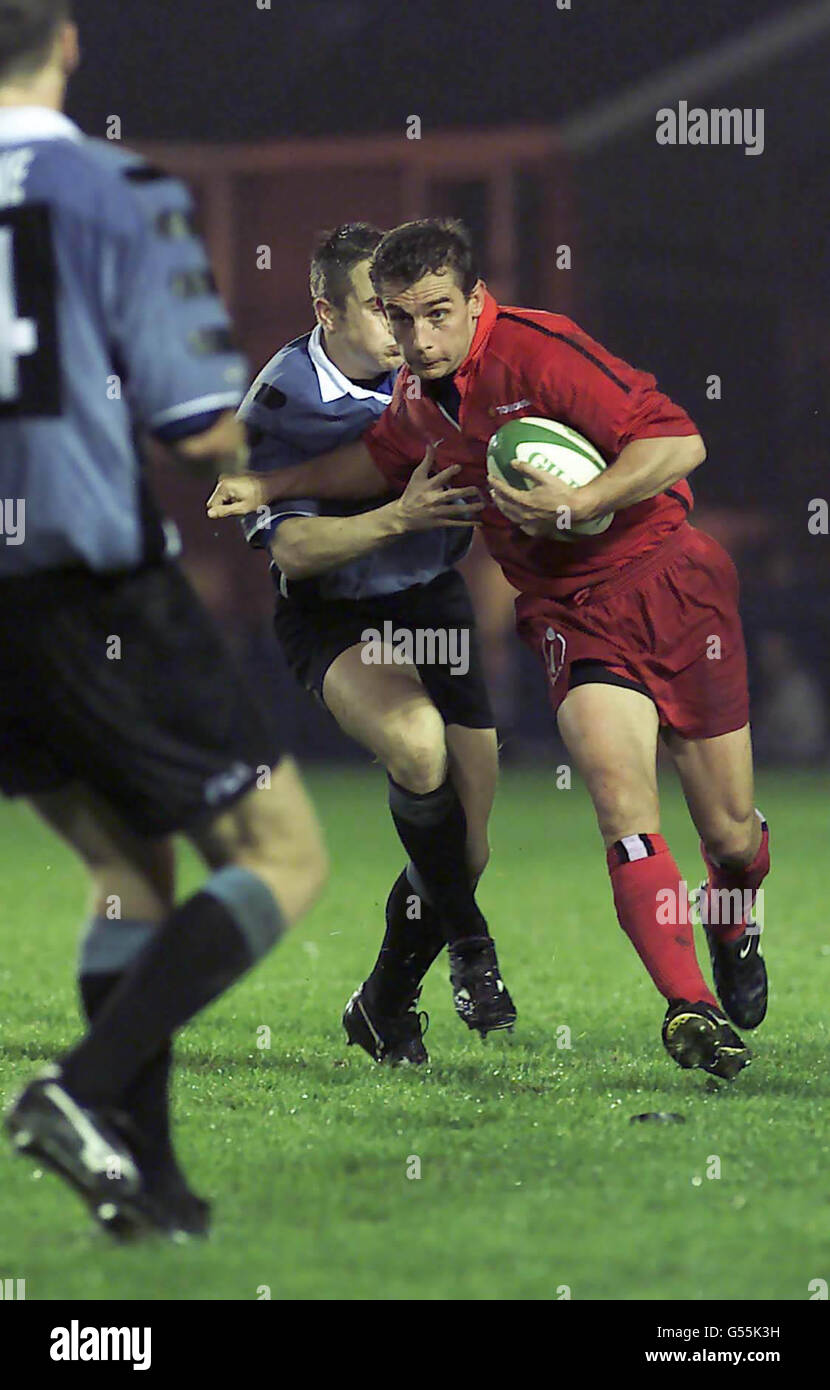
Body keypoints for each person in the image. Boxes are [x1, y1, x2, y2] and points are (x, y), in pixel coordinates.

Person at [208, 217, 771, 1081]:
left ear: (475, 301)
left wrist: (584, 502)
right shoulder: (403, 401)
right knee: (621, 807)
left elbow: (679, 442)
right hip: (566, 613)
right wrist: (270, 484)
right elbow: (372, 462)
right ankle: (688, 1007)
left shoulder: (540, 351)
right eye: (399, 318)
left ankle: (732, 915)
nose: (418, 339)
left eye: (436, 314)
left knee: (730, 834)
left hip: (672, 584)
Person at [0, 0, 327, 1241]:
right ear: (67, 40)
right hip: (91, 585)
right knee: (283, 854)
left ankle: (150, 1192)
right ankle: (70, 1093)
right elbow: (196, 424)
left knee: (125, 877)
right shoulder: (112, 185)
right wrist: (312, 467)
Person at [236, 222, 515, 1065]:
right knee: (415, 742)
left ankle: (383, 1005)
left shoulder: (434, 369)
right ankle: (472, 948)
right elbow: (291, 550)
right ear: (325, 311)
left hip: (434, 601)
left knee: (467, 846)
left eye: (407, 312)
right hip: (334, 615)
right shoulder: (280, 402)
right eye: (379, 312)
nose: (403, 331)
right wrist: (397, 515)